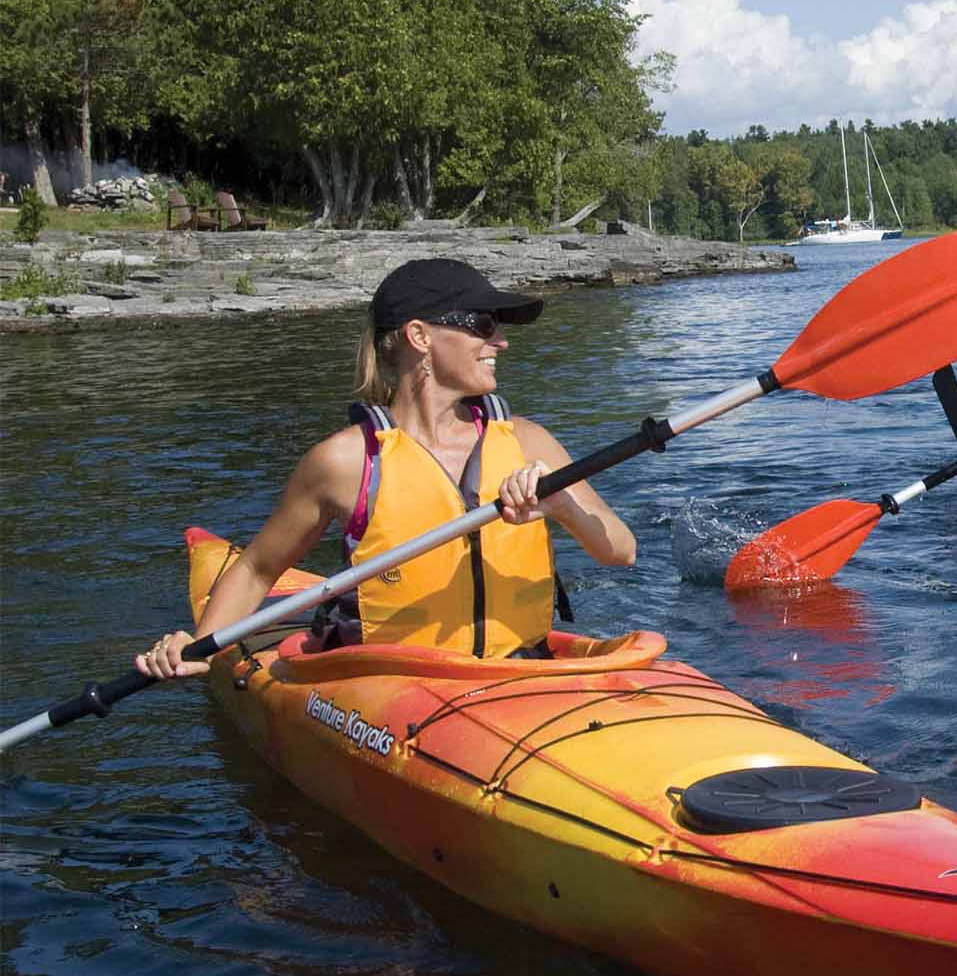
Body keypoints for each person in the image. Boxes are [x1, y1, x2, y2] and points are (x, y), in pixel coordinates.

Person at [137, 258, 636, 678]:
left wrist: (560, 504)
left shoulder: (529, 441)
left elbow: (621, 552)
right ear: (420, 335)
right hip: (392, 684)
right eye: (484, 325)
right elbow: (258, 568)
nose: (501, 341)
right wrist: (199, 648)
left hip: (517, 670)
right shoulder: (346, 461)